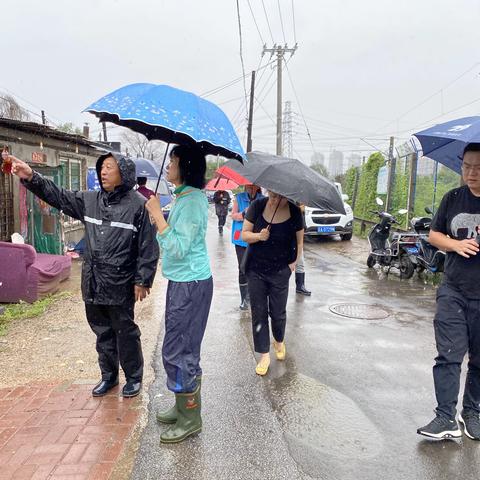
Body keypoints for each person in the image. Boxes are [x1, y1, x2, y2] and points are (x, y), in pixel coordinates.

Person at [9, 152, 159, 398]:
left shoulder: (137, 205)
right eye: (102, 167)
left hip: (120, 282)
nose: (104, 171)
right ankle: (109, 376)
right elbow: (58, 196)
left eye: (110, 167)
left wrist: (143, 279)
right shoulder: (90, 201)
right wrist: (31, 176)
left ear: (124, 172)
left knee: (125, 331)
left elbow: (148, 246)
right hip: (93, 280)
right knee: (102, 331)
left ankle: (133, 377)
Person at [145, 144, 213, 444]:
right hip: (184, 281)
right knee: (183, 347)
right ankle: (181, 404)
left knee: (178, 349)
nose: (168, 166)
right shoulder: (184, 197)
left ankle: (190, 418)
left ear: (185, 166)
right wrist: (161, 216)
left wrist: (159, 217)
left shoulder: (193, 201)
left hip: (190, 284)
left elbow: (178, 247)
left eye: (172, 161)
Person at [417, 143, 480, 440]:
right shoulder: (452, 198)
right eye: (467, 166)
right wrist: (455, 244)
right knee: (449, 355)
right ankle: (445, 417)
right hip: (453, 289)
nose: (471, 173)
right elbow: (434, 234)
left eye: (478, 167)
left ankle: (472, 413)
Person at [242, 190, 304, 376]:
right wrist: (258, 236)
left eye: (281, 197)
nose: (275, 200)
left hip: (280, 271)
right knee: (259, 313)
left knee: (277, 312)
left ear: (287, 196)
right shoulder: (257, 206)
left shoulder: (294, 212)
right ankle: (263, 355)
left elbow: (300, 242)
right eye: (273, 195)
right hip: (256, 270)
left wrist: (292, 265)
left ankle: (278, 339)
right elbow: (244, 234)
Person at [231, 185, 263, 310]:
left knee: (254, 267)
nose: (250, 187)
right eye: (248, 185)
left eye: (253, 185)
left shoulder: (262, 199)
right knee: (242, 267)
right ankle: (244, 298)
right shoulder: (238, 198)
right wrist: (244, 213)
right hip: (240, 239)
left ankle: (252, 296)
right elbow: (233, 215)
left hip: (255, 237)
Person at [295, 204, 311, 296]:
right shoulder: (288, 199)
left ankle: (300, 286)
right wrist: (298, 209)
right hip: (288, 234)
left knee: (300, 261)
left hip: (299, 233)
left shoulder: (302, 203)